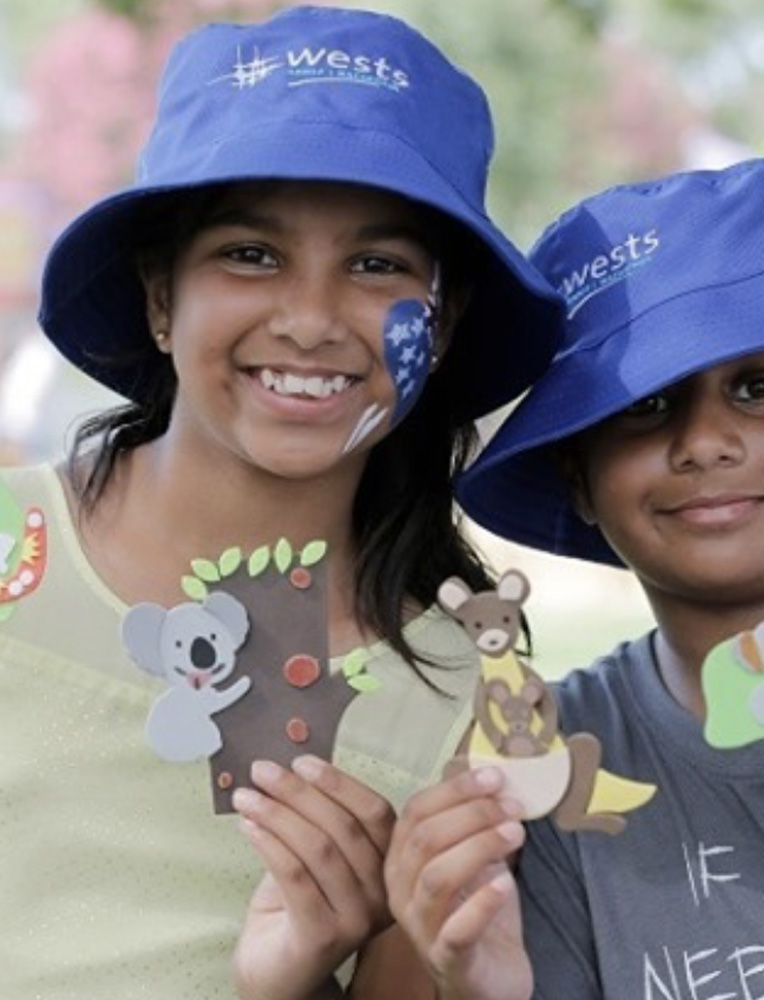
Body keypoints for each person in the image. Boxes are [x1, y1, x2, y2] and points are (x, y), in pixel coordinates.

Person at [0, 6, 562, 1000]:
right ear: (159, 294)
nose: (309, 320)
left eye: (378, 265)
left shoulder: (472, 709)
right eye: (250, 254)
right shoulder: (12, 548)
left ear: (442, 325)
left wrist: (293, 981)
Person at [384, 158, 764, 999]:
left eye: (761, 387)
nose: (704, 440)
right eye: (644, 405)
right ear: (578, 476)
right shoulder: (549, 763)